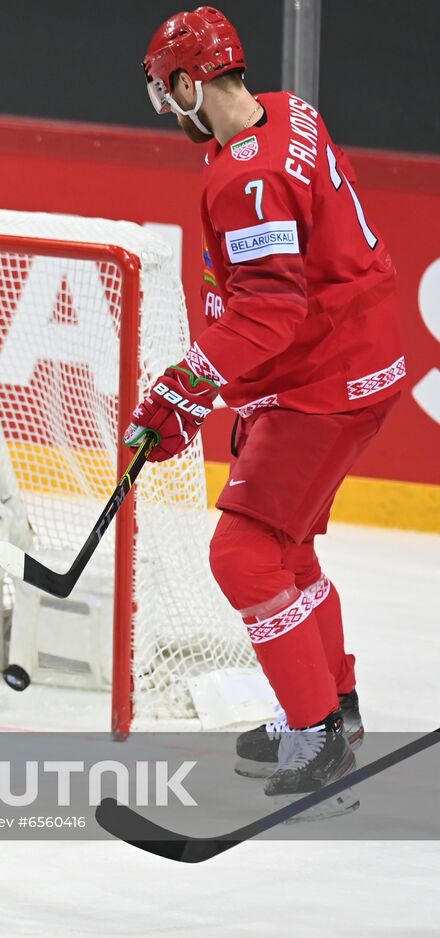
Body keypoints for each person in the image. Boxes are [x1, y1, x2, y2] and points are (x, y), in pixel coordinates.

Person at [131, 7, 405, 812]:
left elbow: (269, 310)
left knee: (242, 557)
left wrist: (185, 384)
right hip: (353, 364)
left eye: (165, 94)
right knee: (283, 551)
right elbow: (286, 291)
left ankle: (317, 737)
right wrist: (221, 384)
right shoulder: (291, 112)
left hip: (323, 383)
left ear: (188, 83)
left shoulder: (245, 177)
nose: (167, 112)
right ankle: (335, 709)